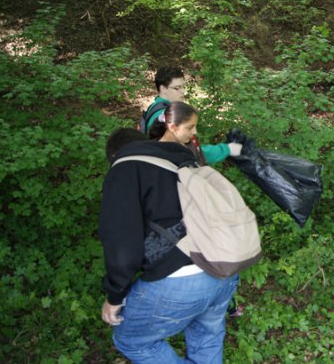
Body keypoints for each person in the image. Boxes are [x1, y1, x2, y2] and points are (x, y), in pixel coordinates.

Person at [99, 102, 239, 364]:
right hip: (224, 268)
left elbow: (122, 245)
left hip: (183, 278)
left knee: (131, 340)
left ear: (114, 156)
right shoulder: (182, 159)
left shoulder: (125, 168)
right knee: (206, 335)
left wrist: (115, 296)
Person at [142, 66, 241, 164]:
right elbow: (190, 153)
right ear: (163, 89)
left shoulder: (155, 108)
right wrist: (226, 149)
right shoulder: (165, 116)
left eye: (183, 87)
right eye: (177, 88)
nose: (183, 91)